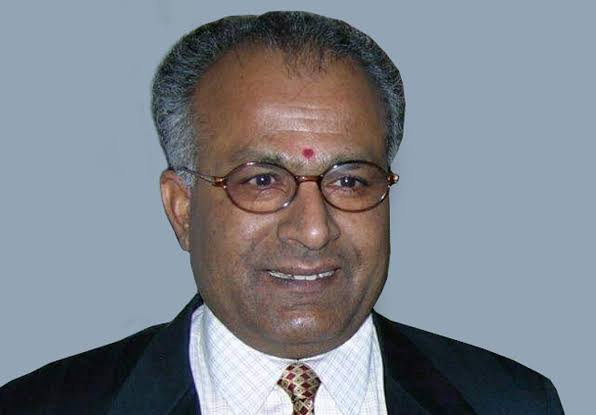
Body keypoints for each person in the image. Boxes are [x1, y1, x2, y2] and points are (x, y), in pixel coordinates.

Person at [0, 11, 564, 415]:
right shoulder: (44, 405)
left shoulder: (509, 401)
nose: (314, 230)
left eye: (349, 180)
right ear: (182, 208)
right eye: (262, 181)